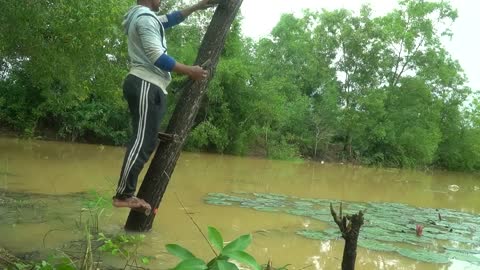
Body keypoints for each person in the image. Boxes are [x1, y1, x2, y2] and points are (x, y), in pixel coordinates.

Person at [113, 0, 215, 211]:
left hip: (150, 85)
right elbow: (156, 56)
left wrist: (198, 6)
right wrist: (190, 71)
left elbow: (169, 20)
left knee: (147, 140)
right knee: (142, 140)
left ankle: (127, 193)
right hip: (145, 83)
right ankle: (124, 195)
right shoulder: (144, 18)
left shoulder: (145, 17)